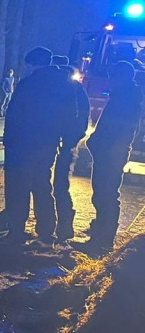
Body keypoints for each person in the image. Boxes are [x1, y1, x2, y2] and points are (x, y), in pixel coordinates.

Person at [2, 47, 78, 245]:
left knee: (18, 187)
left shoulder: (28, 84)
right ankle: (46, 231)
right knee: (42, 185)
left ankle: (17, 230)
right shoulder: (64, 85)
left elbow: (15, 114)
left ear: (32, 64)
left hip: (22, 144)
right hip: (48, 144)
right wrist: (66, 141)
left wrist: (8, 141)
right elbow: (71, 115)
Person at [79, 61, 143, 255]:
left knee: (105, 195)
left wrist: (97, 143)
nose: (109, 81)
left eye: (112, 77)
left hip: (110, 153)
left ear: (120, 77)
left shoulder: (124, 99)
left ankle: (102, 241)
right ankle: (100, 237)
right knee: (105, 194)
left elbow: (115, 129)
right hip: (110, 151)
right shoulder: (127, 97)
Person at [54, 65, 91, 242]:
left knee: (59, 185)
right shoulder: (78, 92)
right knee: (58, 185)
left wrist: (69, 141)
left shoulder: (73, 93)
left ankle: (64, 224)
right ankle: (62, 224)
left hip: (63, 145)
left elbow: (78, 121)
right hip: (62, 144)